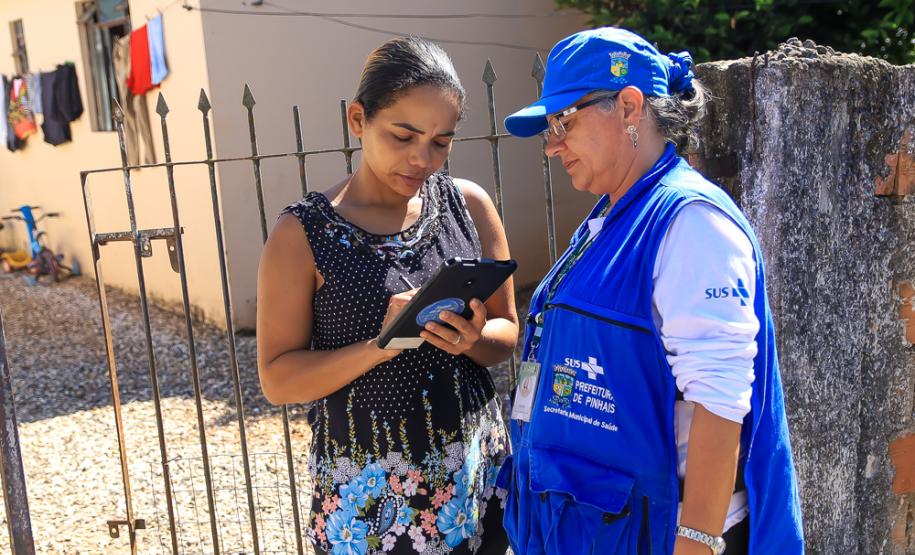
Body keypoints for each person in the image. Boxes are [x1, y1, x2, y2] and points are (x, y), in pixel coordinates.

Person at [498, 28, 804, 554]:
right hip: (598, 527)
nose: (551, 145)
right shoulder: (612, 215)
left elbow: (720, 400)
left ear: (629, 106)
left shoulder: (691, 223)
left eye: (562, 121)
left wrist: (696, 544)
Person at [256, 37, 517, 555]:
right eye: (404, 136)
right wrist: (384, 342)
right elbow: (278, 379)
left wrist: (470, 338)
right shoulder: (301, 233)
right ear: (358, 120)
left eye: (441, 142)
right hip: (369, 501)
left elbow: (507, 332)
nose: (422, 158)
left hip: (475, 474)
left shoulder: (469, 205)